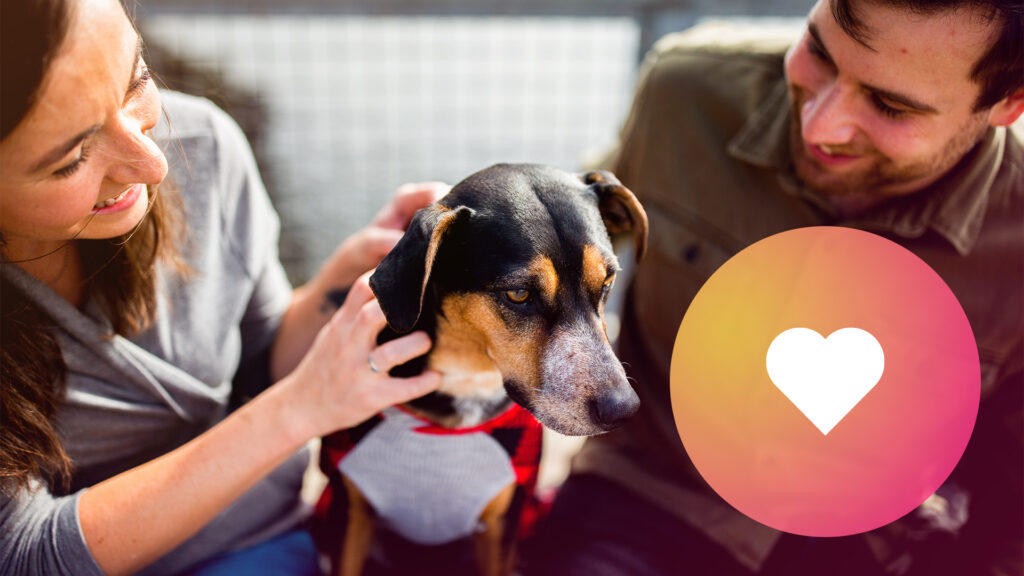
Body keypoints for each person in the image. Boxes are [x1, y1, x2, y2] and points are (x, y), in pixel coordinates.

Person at [524, 1, 1023, 575]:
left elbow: (1012, 517)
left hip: (865, 549)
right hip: (643, 499)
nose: (820, 124)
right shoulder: (684, 93)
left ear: (1008, 102)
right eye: (818, 52)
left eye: (891, 106)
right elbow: (564, 250)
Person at [0, 0, 446, 574]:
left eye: (136, 82)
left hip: (269, 538)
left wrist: (342, 280)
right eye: (72, 159)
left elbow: (259, 361)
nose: (155, 162)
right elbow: (22, 554)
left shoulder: (205, 145)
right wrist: (300, 411)